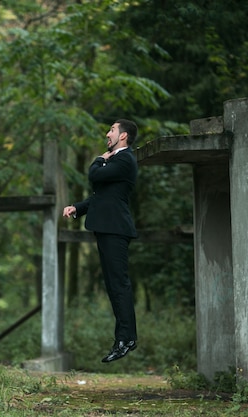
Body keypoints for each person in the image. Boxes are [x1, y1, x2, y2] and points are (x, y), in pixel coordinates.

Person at [62, 119, 139, 363]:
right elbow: (102, 196)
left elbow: (94, 175)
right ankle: (122, 338)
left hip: (116, 229)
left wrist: (99, 158)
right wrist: (77, 208)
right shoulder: (115, 160)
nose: (108, 134)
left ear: (123, 136)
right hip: (107, 228)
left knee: (119, 284)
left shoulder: (125, 159)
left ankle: (127, 338)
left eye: (112, 130)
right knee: (113, 285)